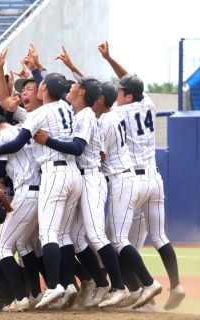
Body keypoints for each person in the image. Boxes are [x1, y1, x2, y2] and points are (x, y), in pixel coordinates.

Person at [98, 41, 184, 309]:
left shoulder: (118, 113)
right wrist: (110, 58)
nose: (118, 93)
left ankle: (140, 287)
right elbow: (133, 83)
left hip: (131, 182)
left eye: (121, 91)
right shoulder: (149, 102)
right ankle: (176, 285)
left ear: (127, 97)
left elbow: (105, 103)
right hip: (155, 180)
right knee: (159, 237)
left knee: (119, 240)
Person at [33, 70, 130, 307]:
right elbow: (51, 97)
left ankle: (118, 286)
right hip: (81, 178)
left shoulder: (86, 115)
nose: (69, 88)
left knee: (95, 235)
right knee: (75, 238)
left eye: (74, 86)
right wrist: (37, 72)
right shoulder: (74, 111)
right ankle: (99, 282)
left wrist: (48, 141)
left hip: (92, 178)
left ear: (82, 91)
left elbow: (77, 148)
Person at [0, 73, 82, 309]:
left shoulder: (41, 113)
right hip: (73, 173)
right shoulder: (66, 107)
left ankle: (53, 287)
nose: (37, 87)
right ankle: (68, 283)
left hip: (53, 172)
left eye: (40, 84)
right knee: (63, 235)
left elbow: (18, 143)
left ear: (46, 89)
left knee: (48, 234)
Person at [92, 80, 163, 309]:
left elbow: (100, 156)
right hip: (127, 178)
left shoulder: (108, 119)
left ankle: (148, 284)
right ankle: (134, 290)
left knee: (119, 240)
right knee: (116, 240)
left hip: (122, 179)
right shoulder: (115, 115)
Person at [0, 114, 43, 311]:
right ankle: (34, 294)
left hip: (25, 193)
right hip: (42, 191)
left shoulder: (2, 135)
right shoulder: (25, 131)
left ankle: (21, 298)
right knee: (23, 244)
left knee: (2, 248)